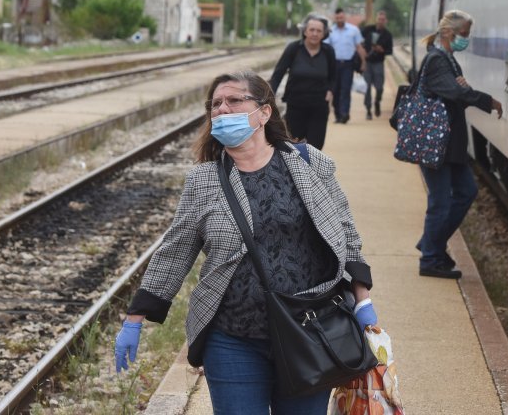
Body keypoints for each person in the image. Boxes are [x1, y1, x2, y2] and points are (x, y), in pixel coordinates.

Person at [114, 70, 378, 414]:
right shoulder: (204, 179)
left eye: (234, 100)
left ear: (264, 112)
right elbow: (176, 249)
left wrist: (362, 301)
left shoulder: (309, 163)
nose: (222, 109)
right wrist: (134, 319)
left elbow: (346, 232)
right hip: (232, 337)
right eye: (215, 104)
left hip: (311, 331)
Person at [414, 10, 503, 279]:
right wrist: (487, 100)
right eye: (464, 34)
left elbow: (455, 93)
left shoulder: (448, 59)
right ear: (449, 33)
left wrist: (462, 89)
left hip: (448, 143)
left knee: (466, 191)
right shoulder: (437, 60)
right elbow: (454, 92)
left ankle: (431, 244)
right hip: (436, 143)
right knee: (440, 201)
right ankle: (430, 258)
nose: (467, 39)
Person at [269, 14, 336, 149]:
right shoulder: (293, 49)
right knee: (294, 144)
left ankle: (311, 170)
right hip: (295, 104)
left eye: (319, 31)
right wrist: (269, 96)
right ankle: (295, 170)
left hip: (319, 105)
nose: (315, 34)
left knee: (315, 146)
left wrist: (331, 91)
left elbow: (334, 76)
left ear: (324, 34)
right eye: (311, 30)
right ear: (305, 31)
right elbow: (278, 73)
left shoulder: (328, 51)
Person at [325, 7, 366, 124]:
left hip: (348, 64)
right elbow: (327, 49)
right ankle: (338, 114)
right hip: (334, 65)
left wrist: (363, 62)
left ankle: (345, 114)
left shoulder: (354, 30)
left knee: (345, 89)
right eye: (337, 18)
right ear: (335, 18)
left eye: (341, 17)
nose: (339, 19)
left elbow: (359, 47)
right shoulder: (331, 31)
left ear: (345, 17)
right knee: (335, 90)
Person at [360, 10, 393, 120]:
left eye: (383, 19)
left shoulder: (388, 35)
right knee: (367, 87)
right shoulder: (368, 29)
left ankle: (377, 101)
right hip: (368, 63)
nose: (381, 21)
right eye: (379, 19)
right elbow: (358, 39)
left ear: (386, 21)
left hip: (379, 63)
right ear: (376, 19)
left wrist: (382, 50)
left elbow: (390, 51)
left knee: (379, 87)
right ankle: (368, 110)